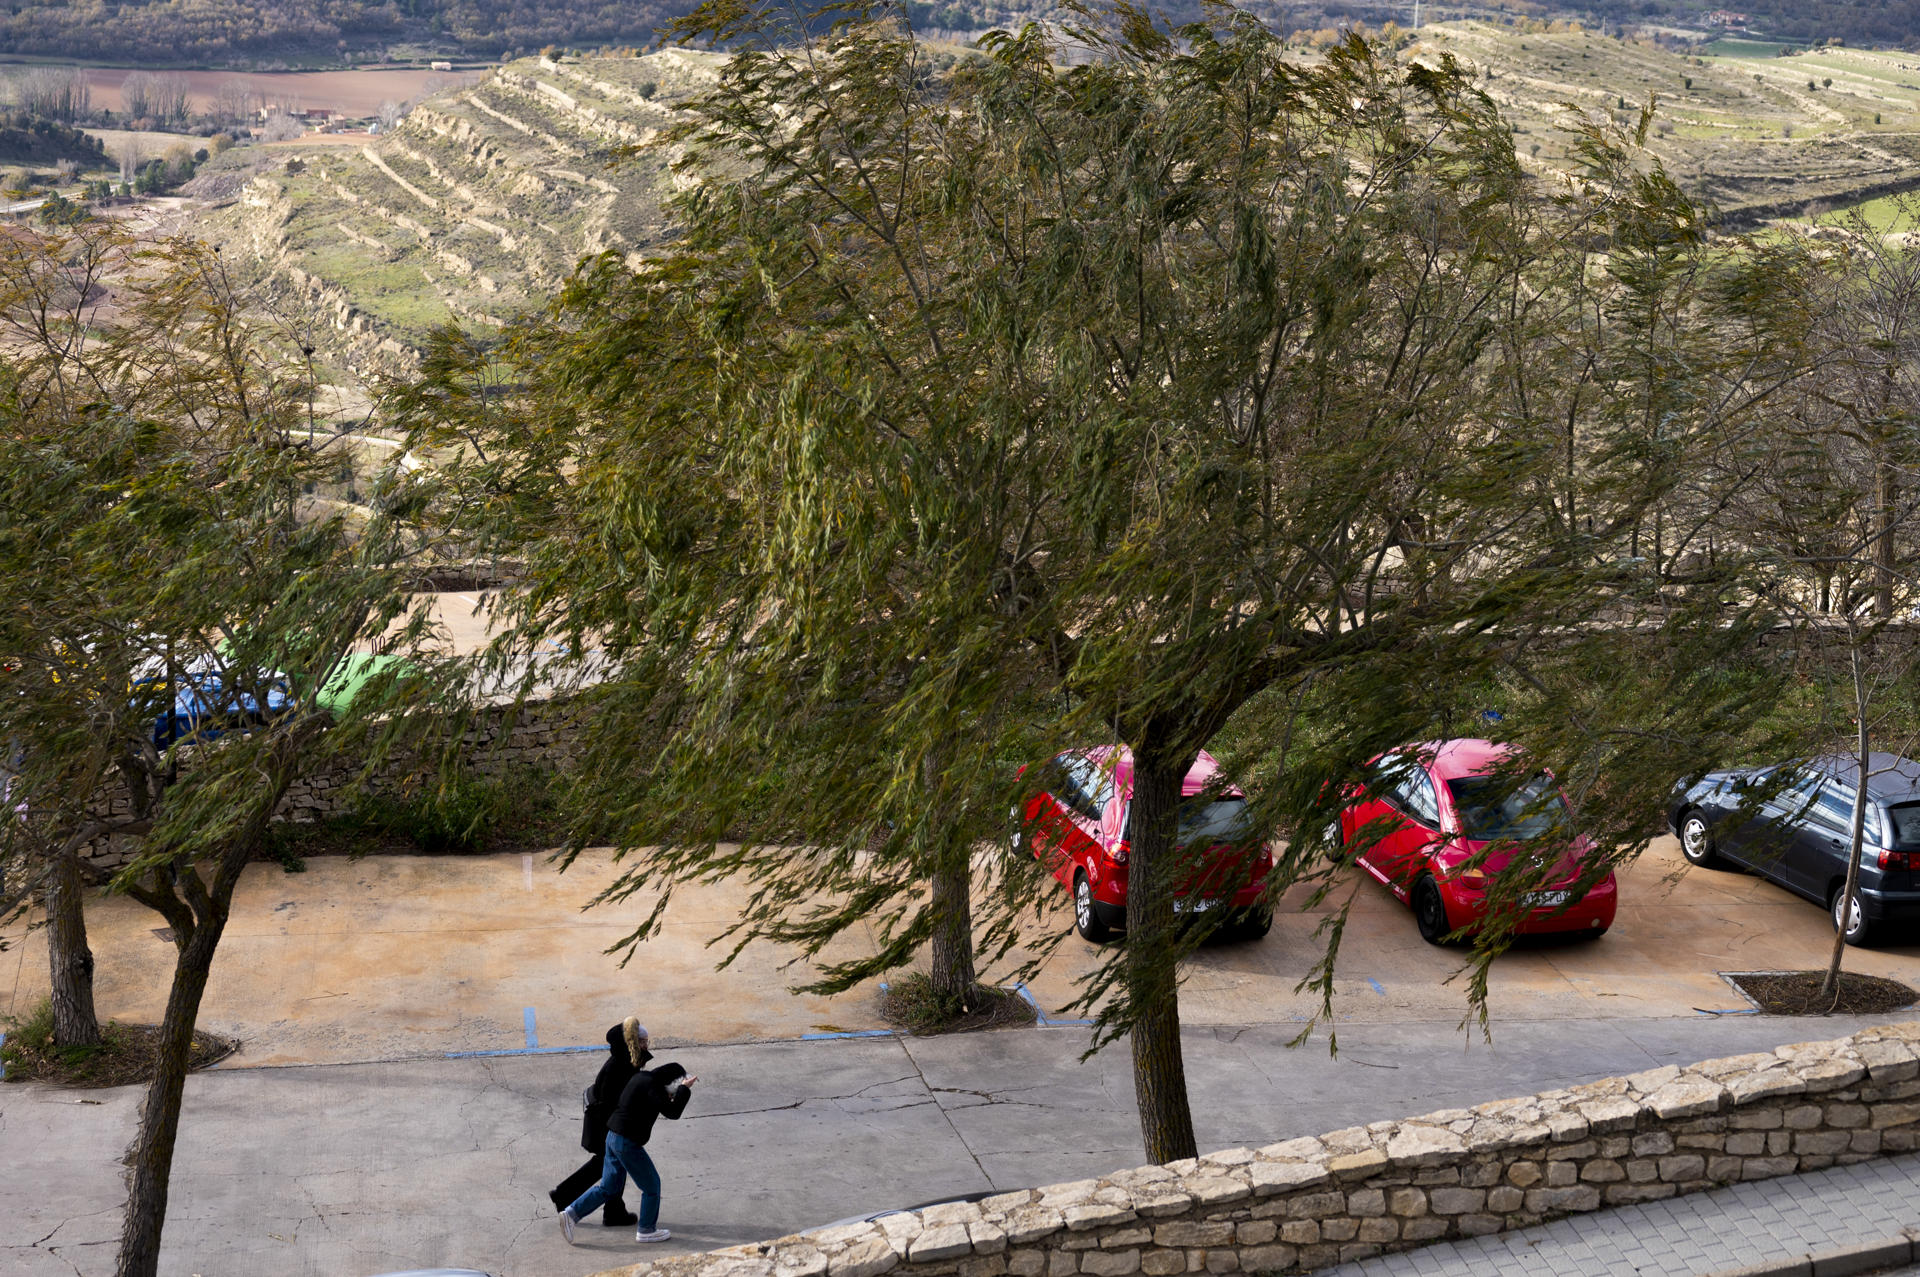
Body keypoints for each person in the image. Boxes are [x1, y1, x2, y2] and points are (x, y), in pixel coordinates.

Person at [558, 1024, 697, 1245]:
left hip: (612, 1137)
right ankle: (646, 1230)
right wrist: (685, 1089)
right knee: (652, 1186)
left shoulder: (642, 1079)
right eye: (674, 1086)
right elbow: (673, 1112)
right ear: (670, 1083)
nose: (672, 1091)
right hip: (626, 1143)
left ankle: (571, 1214)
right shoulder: (652, 1086)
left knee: (608, 1187)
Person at [547, 1017, 642, 1226]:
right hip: (606, 1126)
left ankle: (607, 1208)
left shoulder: (623, 1061)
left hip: (607, 1124)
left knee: (608, 1166)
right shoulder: (619, 1066)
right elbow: (612, 1103)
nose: (645, 1042)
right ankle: (605, 1209)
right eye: (639, 1039)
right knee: (611, 1165)